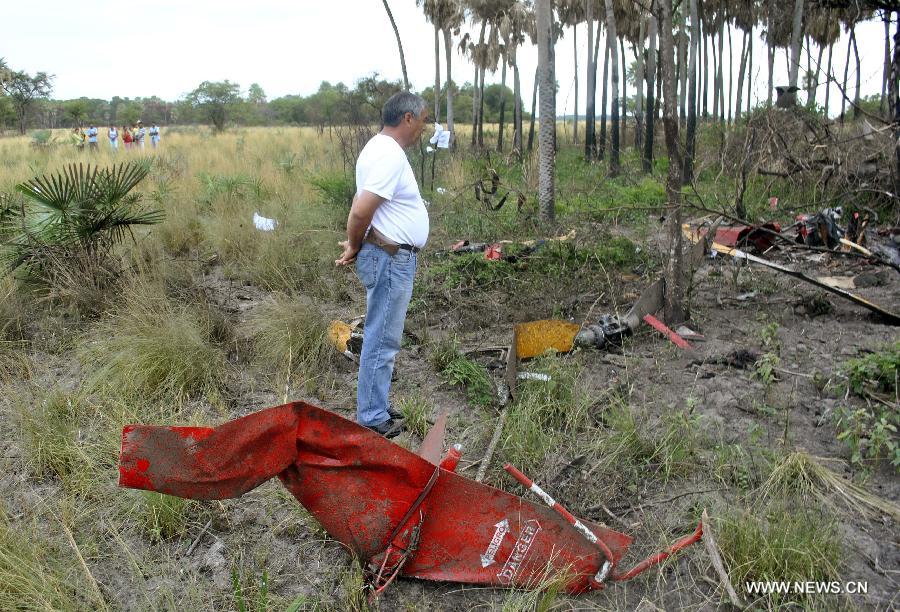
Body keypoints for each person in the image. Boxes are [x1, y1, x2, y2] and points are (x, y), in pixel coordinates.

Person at [335, 92, 429, 438]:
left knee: (383, 335)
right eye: (422, 119)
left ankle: (376, 404)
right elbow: (361, 210)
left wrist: (357, 243)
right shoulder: (389, 153)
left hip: (390, 256)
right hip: (391, 258)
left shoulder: (380, 148)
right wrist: (356, 243)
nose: (423, 127)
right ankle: (373, 416)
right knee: (382, 339)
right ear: (408, 118)